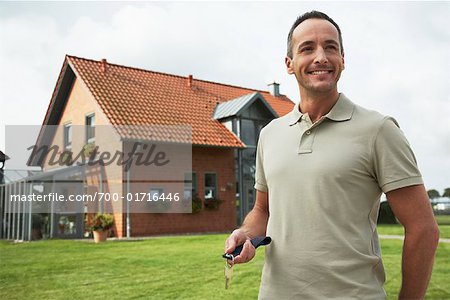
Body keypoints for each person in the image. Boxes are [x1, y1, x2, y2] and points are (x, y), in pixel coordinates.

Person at [224, 10, 439, 299]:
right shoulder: (270, 134)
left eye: (331, 47)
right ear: (289, 64)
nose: (321, 57)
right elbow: (263, 209)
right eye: (307, 48)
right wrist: (246, 234)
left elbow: (423, 228)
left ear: (343, 60)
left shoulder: (379, 130)